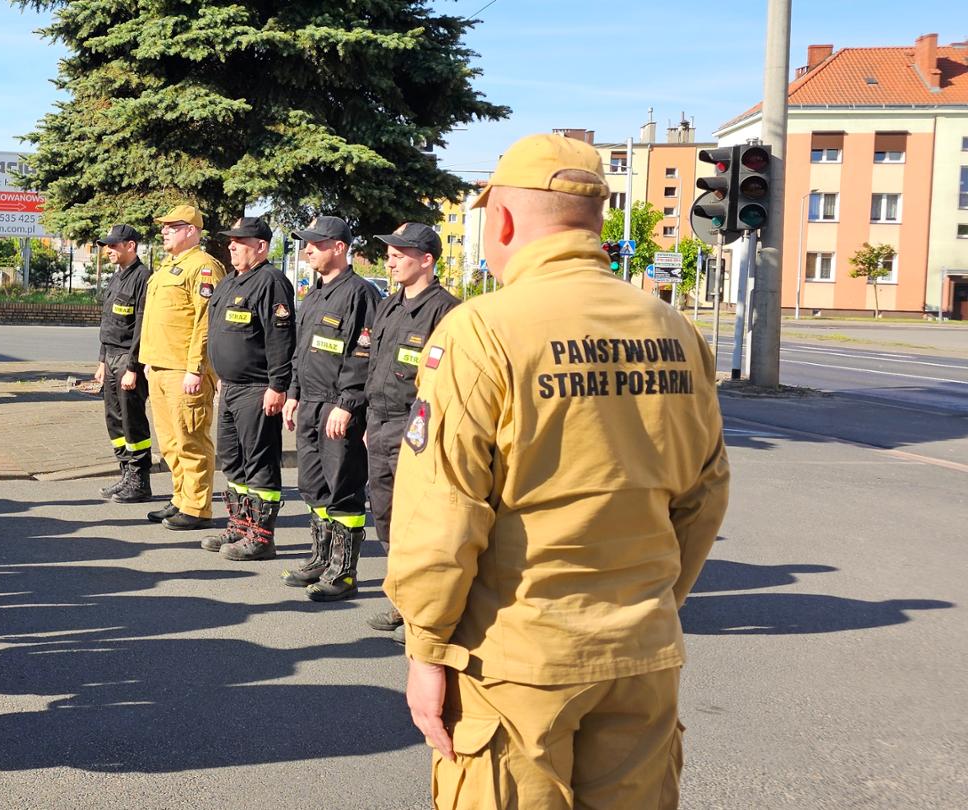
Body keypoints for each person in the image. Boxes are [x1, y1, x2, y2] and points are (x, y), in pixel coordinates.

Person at [385, 133, 729, 808]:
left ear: (503, 221)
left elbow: (443, 516)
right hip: (642, 652)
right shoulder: (675, 330)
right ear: (598, 221)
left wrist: (425, 649)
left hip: (518, 661)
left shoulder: (482, 330)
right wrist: (652, 601)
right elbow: (704, 497)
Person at [359, 221, 460, 633]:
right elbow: (374, 363)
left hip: (416, 426)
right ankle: (402, 600)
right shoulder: (390, 303)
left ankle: (427, 611)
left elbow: (449, 381)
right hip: (380, 424)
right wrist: (369, 420)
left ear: (427, 260)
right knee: (386, 515)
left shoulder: (447, 311)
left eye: (401, 254)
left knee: (421, 521)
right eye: (390, 254)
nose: (391, 260)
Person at [278, 216, 380, 599]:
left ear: (339, 248)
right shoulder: (314, 294)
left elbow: (364, 354)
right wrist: (292, 393)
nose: (308, 250)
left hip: (339, 408)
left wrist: (348, 403)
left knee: (343, 489)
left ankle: (344, 572)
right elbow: (301, 353)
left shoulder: (360, 293)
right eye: (306, 244)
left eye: (316, 244)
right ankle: (321, 559)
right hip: (310, 403)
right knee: (313, 487)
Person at [203, 216, 295, 559]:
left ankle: (261, 535)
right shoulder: (230, 282)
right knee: (233, 460)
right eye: (231, 240)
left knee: (259, 461)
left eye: (240, 242)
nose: (231, 245)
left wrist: (278, 385)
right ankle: (239, 525)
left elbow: (280, 338)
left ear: (261, 247)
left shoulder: (271, 282)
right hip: (230, 387)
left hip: (258, 387)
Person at [137, 204, 220, 531]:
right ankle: (180, 499)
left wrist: (196, 368)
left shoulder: (202, 267)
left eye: (172, 226)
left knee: (192, 440)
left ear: (191, 230)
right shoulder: (168, 267)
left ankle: (198, 508)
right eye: (165, 226)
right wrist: (147, 361)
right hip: (160, 367)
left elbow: (205, 322)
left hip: (185, 370)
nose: (164, 231)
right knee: (170, 442)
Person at [91, 224, 154, 503]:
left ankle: (140, 480)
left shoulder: (143, 278)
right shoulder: (116, 278)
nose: (109, 250)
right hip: (112, 357)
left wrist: (132, 367)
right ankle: (125, 473)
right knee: (114, 420)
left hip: (130, 360)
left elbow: (142, 327)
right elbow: (109, 323)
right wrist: (102, 360)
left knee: (133, 421)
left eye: (114, 245)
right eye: (107, 245)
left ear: (131, 246)